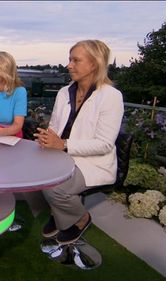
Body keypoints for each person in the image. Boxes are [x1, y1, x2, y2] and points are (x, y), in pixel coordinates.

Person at [35, 40, 124, 244]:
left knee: (54, 188)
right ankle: (60, 214)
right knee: (34, 173)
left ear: (94, 64)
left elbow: (104, 144)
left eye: (76, 60)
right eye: (69, 59)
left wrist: (63, 144)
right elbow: (55, 125)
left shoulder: (111, 97)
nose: (69, 65)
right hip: (61, 154)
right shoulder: (64, 92)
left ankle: (81, 218)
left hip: (91, 162)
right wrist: (48, 137)